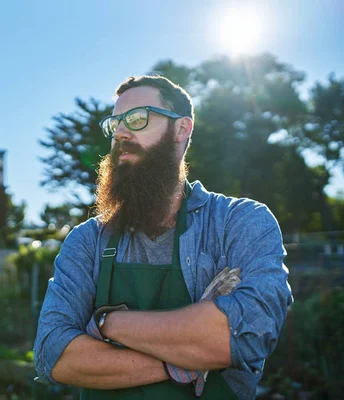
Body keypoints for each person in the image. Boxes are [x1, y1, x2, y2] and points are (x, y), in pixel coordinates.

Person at [33, 75, 293, 399]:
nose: (121, 134)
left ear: (182, 130)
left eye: (137, 119)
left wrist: (106, 324)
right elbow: (53, 353)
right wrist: (184, 363)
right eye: (115, 124)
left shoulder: (239, 223)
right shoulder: (87, 240)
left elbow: (242, 336)